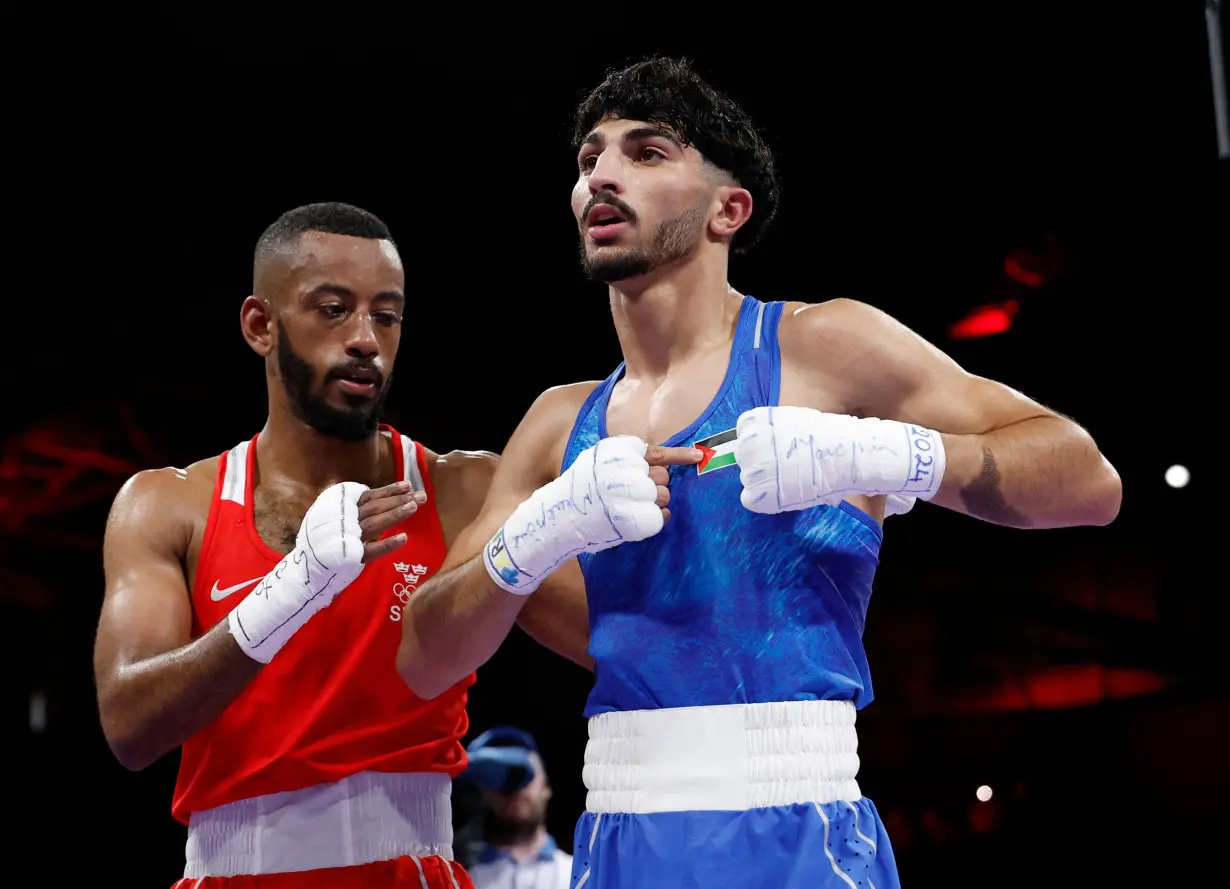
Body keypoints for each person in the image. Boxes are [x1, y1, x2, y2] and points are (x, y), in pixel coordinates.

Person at [395, 57, 1122, 889]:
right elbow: (424, 658)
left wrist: (882, 454)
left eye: (647, 152)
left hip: (797, 832)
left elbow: (1088, 481)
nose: (601, 174)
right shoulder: (559, 425)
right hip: (619, 838)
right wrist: (538, 530)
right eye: (590, 157)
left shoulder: (822, 348)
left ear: (727, 209)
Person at [93, 202, 551, 888]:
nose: (366, 338)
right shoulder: (169, 504)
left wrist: (574, 519)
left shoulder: (463, 490)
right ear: (260, 325)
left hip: (410, 866)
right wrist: (294, 585)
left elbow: (614, 639)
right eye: (333, 309)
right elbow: (130, 727)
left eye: (387, 315)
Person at [455, 727, 573, 889]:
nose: (511, 788)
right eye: (495, 776)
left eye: (521, 774)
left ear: (546, 787)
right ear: (481, 792)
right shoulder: (460, 878)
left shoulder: (580, 876)